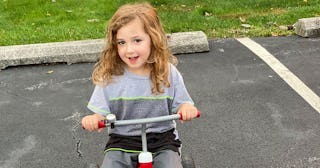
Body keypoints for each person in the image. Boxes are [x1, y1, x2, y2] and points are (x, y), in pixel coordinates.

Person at [81, 2, 198, 168]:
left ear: (153, 38)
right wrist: (94, 119)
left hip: (162, 140)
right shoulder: (110, 77)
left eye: (137, 40)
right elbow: (100, 113)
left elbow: (183, 104)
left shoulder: (167, 72)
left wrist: (186, 108)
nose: (129, 50)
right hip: (122, 141)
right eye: (121, 42)